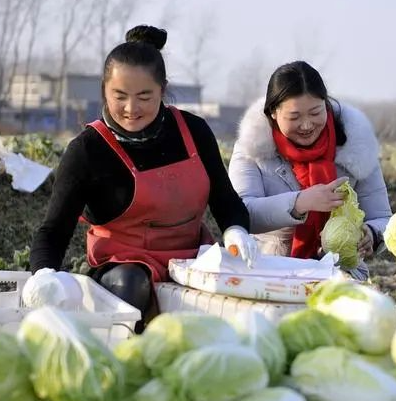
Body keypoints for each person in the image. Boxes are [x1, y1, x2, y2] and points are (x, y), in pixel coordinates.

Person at [30, 25, 258, 328]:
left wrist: (236, 230)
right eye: (119, 96)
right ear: (104, 90)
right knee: (131, 284)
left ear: (162, 91)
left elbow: (225, 199)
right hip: (124, 270)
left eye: (144, 97)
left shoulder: (193, 131)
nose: (131, 108)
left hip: (191, 261)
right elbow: (54, 230)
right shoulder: (87, 150)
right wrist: (44, 275)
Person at [228, 60, 392, 280]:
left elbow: (382, 217)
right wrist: (299, 203)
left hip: (342, 276)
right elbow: (240, 213)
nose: (306, 125)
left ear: (326, 104)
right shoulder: (252, 148)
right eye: (294, 117)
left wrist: (371, 234)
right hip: (266, 273)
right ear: (273, 113)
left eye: (315, 113)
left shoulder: (357, 147)